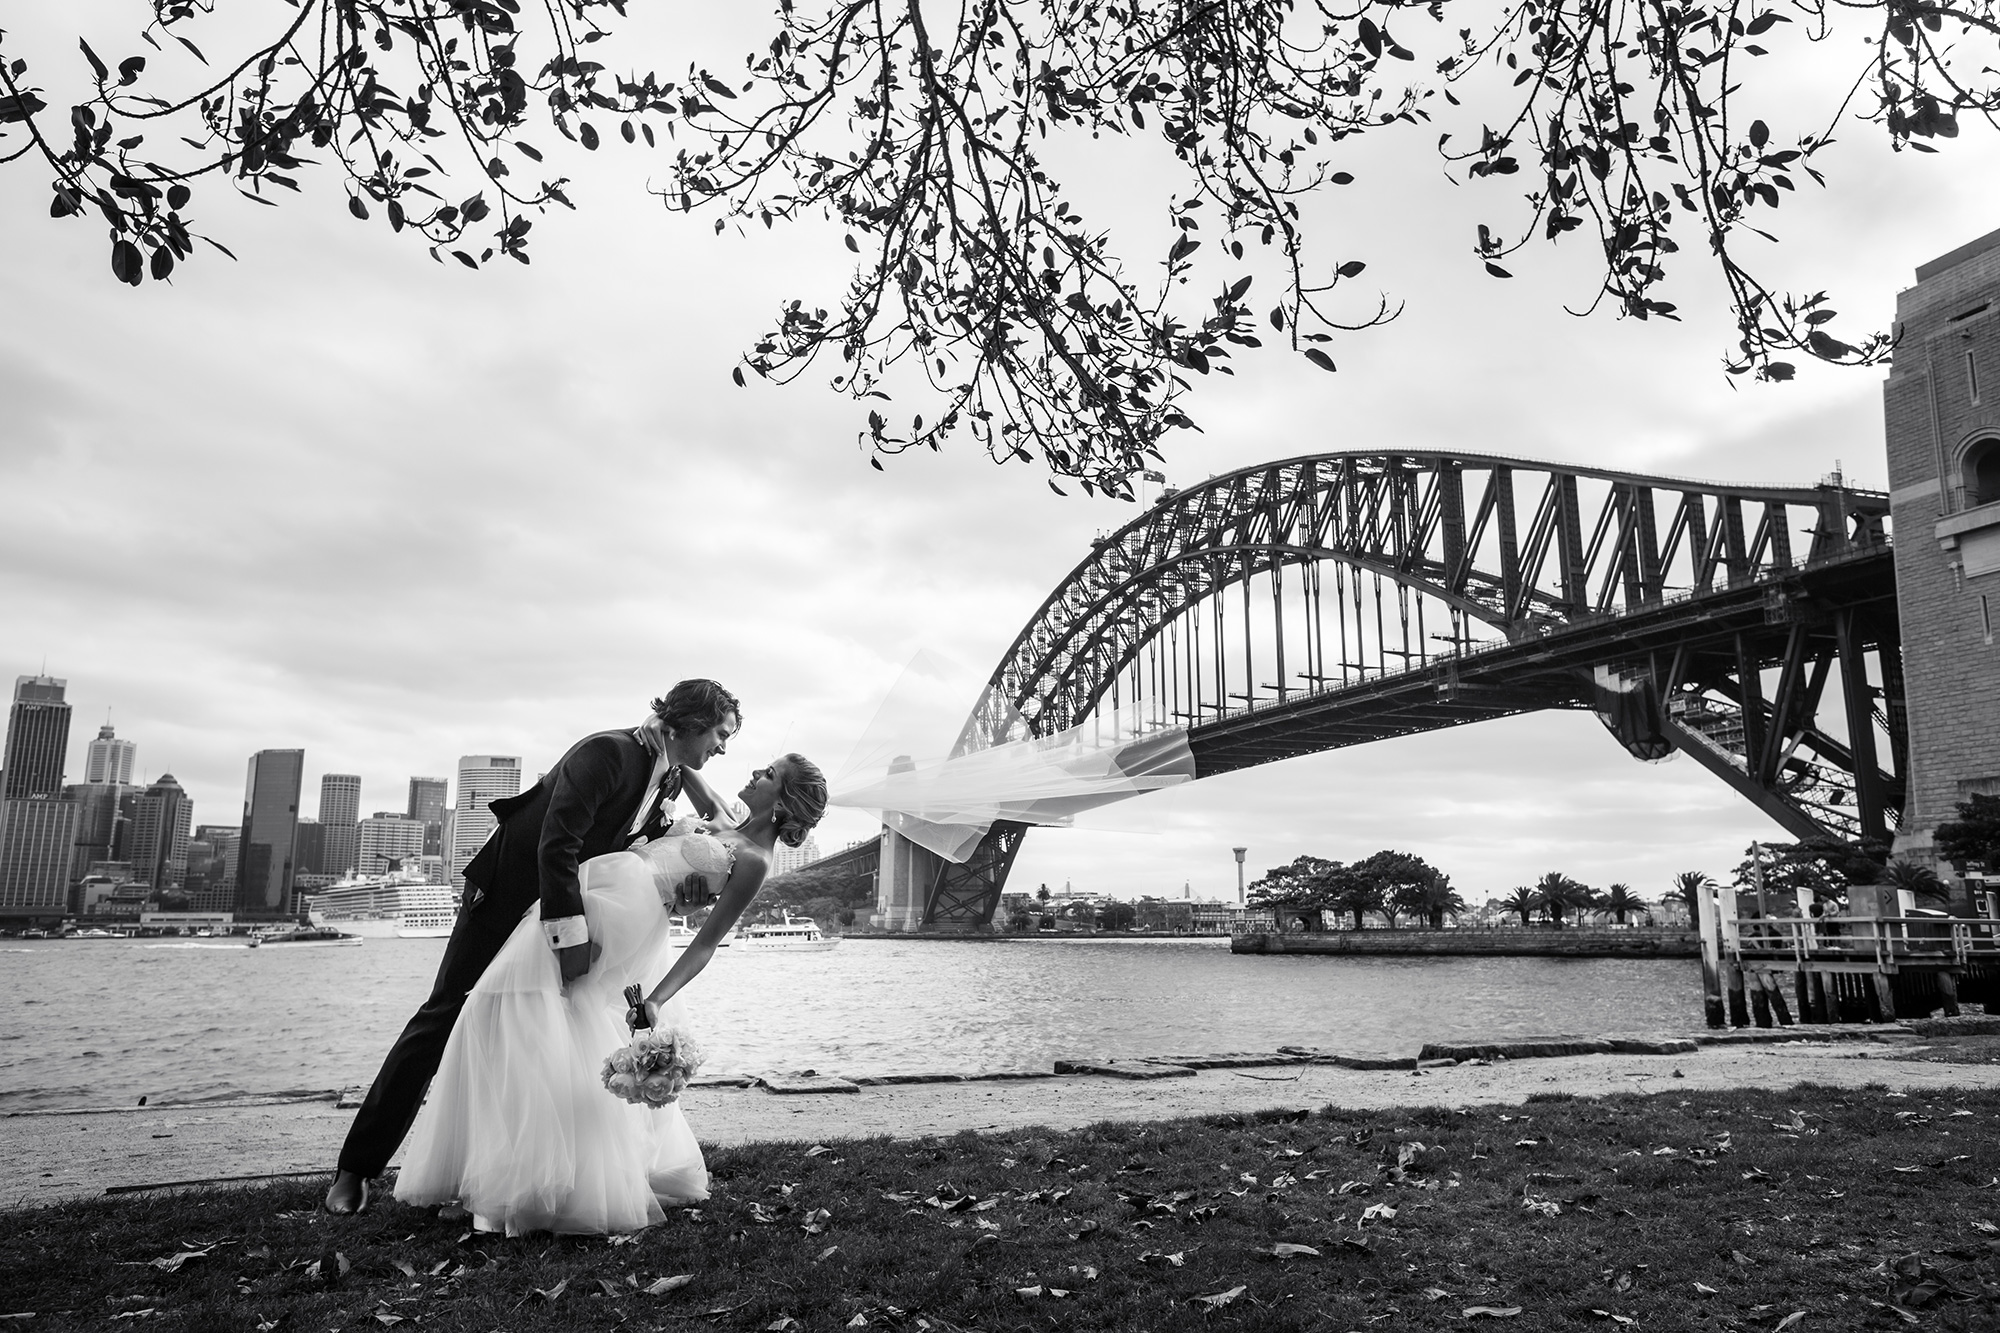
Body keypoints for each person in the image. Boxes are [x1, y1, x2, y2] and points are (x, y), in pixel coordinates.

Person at [323, 679, 743, 1216]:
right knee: (443, 1016)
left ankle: (507, 1172)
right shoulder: (607, 752)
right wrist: (571, 941)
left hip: (562, 910)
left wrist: (678, 892)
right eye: (720, 734)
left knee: (533, 1033)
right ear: (689, 721)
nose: (723, 748)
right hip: (505, 897)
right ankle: (355, 1169)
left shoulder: (670, 777)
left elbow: (634, 847)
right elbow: (558, 843)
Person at [392, 753, 829, 1234]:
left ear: (784, 802)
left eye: (768, 774)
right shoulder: (722, 816)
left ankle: (517, 1180)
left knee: (505, 1006)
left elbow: (706, 945)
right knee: (525, 1017)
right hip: (592, 890)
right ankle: (511, 1172)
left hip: (623, 921)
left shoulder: (754, 861)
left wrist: (657, 999)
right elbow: (680, 759)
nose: (753, 772)